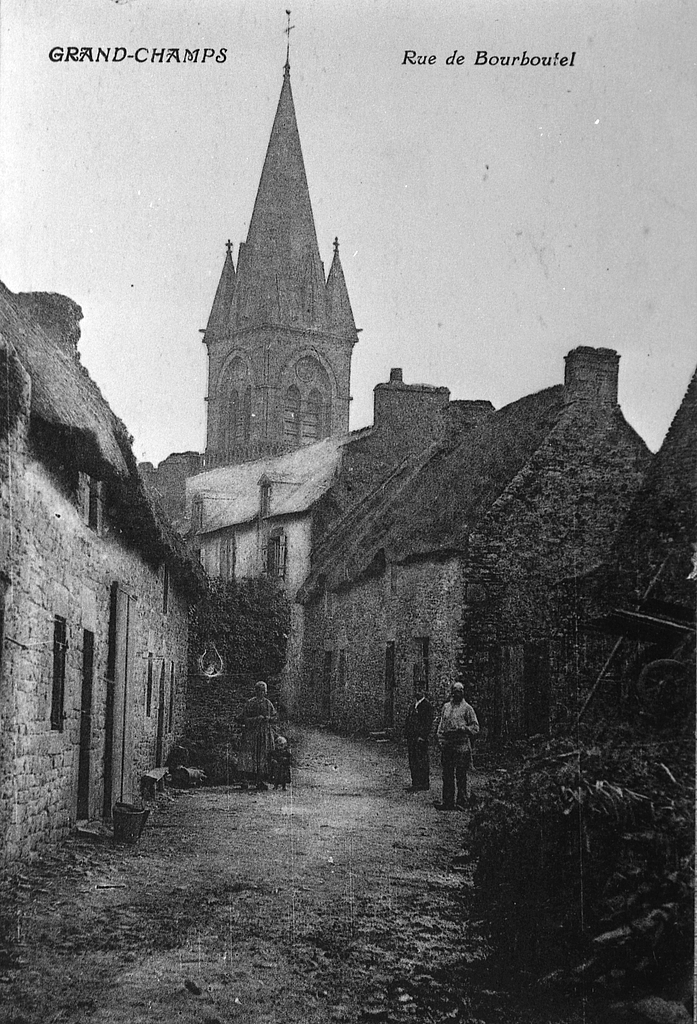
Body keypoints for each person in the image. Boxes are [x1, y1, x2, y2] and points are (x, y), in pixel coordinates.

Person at [435, 682, 479, 811]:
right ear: (452, 692)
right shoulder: (446, 707)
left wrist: (465, 729)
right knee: (447, 774)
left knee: (461, 774)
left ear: (463, 693)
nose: (457, 693)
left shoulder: (467, 708)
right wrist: (440, 740)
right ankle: (447, 802)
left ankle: (462, 801)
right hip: (448, 745)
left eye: (460, 691)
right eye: (455, 691)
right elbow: (441, 726)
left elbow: (475, 727)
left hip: (461, 746)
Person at [242, 681, 277, 791]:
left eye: (264, 691)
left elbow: (275, 717)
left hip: (265, 733)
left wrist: (269, 718)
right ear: (256, 691)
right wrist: (256, 719)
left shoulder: (268, 703)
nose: (262, 693)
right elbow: (244, 718)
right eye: (259, 691)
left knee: (263, 756)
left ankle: (260, 781)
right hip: (252, 734)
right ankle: (245, 781)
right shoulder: (250, 703)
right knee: (250, 756)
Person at [404, 685, 434, 791]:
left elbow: (428, 723)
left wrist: (423, 736)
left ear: (424, 691)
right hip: (412, 738)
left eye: (420, 690)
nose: (417, 692)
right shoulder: (413, 706)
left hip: (420, 738)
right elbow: (408, 721)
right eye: (416, 690)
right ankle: (415, 782)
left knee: (422, 760)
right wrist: (407, 734)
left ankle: (424, 783)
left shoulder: (427, 706)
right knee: (413, 760)